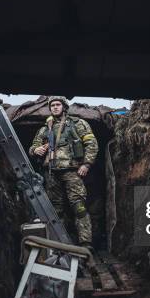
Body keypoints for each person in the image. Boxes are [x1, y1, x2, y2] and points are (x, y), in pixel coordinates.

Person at [28, 96, 99, 249]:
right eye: (52, 105)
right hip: (52, 173)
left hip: (73, 172)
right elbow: (32, 147)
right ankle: (59, 244)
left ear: (64, 107)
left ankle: (85, 243)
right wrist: (36, 150)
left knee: (79, 207)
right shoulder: (45, 129)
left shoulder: (78, 124)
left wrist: (86, 164)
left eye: (58, 104)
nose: (55, 107)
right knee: (55, 211)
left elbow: (91, 144)